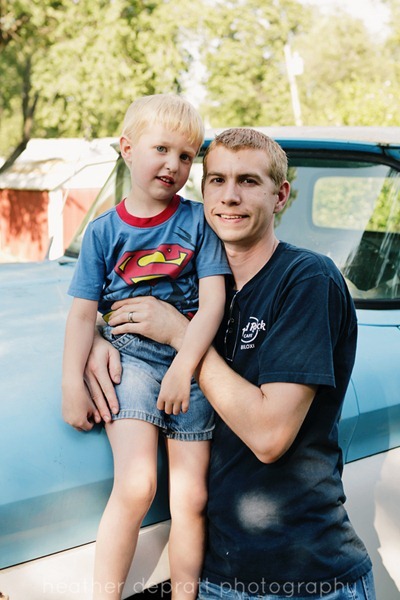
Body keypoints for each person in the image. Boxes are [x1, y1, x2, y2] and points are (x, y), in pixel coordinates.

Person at [67, 127, 375, 599]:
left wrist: (179, 334)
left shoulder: (307, 279)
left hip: (304, 578)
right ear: (202, 190)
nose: (230, 196)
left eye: (248, 181)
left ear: (280, 195)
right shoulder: (194, 285)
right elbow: (104, 299)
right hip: (215, 576)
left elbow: (269, 437)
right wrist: (99, 335)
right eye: (217, 180)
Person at [62, 94, 231, 600]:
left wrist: (184, 368)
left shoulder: (199, 222)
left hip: (191, 362)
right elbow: (82, 314)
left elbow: (213, 303)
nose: (173, 164)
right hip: (129, 361)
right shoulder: (103, 232)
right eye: (161, 149)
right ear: (127, 148)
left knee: (191, 498)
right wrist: (72, 383)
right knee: (137, 485)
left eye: (186, 156)